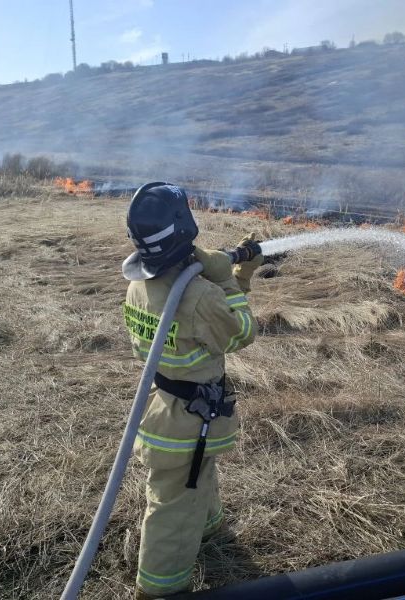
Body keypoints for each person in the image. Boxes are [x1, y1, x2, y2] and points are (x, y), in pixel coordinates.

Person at [121, 182, 263, 599]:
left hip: (164, 406)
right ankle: (159, 588)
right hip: (189, 420)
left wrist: (222, 270)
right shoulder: (198, 294)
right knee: (173, 506)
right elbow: (240, 333)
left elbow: (200, 323)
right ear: (186, 228)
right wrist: (232, 278)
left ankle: (210, 525)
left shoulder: (139, 286)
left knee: (194, 477)